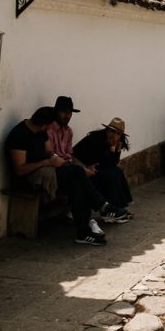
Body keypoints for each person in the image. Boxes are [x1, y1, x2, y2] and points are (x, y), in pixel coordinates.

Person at [6, 107, 112, 246]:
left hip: (48, 171)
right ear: (45, 124)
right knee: (78, 172)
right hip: (32, 178)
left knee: (78, 187)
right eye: (50, 125)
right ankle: (100, 204)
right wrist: (48, 161)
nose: (51, 128)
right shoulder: (19, 135)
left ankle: (83, 232)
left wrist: (55, 158)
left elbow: (49, 151)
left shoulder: (40, 131)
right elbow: (20, 170)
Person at [47, 96, 109, 236]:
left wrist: (85, 169)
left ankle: (85, 225)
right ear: (56, 111)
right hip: (54, 170)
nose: (67, 116)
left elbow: (70, 156)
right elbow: (51, 156)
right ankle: (100, 205)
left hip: (69, 169)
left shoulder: (68, 131)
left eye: (70, 113)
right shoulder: (49, 130)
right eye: (64, 112)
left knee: (81, 183)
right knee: (78, 173)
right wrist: (81, 169)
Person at [73, 117, 134, 221]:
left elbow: (112, 163)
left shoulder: (116, 143)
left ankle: (118, 207)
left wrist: (115, 149)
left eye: (118, 134)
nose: (114, 135)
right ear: (107, 130)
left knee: (117, 171)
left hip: (97, 167)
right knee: (109, 175)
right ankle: (109, 211)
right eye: (112, 131)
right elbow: (94, 159)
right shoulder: (95, 139)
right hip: (84, 168)